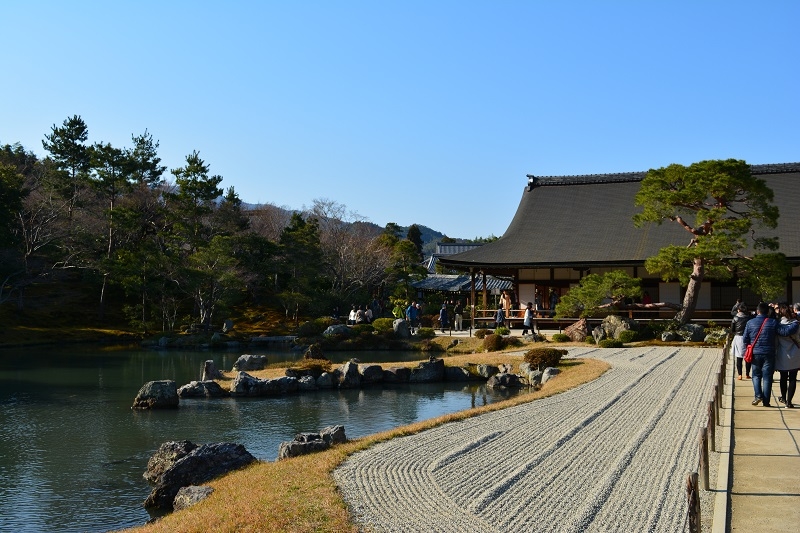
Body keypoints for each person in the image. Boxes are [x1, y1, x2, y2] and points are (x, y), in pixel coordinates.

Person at [742, 301, 800, 406]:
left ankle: (758, 395)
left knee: (756, 375)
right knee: (767, 377)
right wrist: (795, 324)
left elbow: (745, 339)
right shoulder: (773, 322)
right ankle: (766, 401)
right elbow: (785, 332)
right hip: (769, 352)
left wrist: (748, 347)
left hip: (755, 352)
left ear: (757, 311)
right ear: (767, 312)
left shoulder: (750, 323)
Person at [775, 303, 800, 408]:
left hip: (782, 353)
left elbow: (776, 341)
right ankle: (789, 402)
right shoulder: (796, 324)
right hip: (795, 353)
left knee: (783, 377)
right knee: (793, 377)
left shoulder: (777, 325)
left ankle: (784, 398)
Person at [730, 303, 751, 380]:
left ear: (738, 310)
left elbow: (732, 329)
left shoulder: (735, 318)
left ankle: (739, 374)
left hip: (738, 337)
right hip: (747, 338)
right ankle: (747, 373)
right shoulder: (748, 318)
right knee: (747, 356)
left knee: (739, 357)